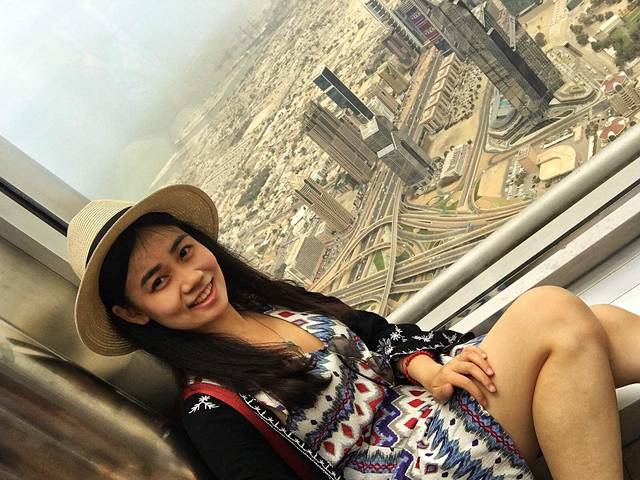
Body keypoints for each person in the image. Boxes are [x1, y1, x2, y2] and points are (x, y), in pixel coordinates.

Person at [66, 184, 637, 479]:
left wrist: (425, 366)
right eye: (159, 281)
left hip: (434, 411)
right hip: (417, 465)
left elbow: (376, 334)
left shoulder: (271, 302)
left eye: (185, 251)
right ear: (135, 313)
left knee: (598, 326)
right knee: (549, 311)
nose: (190, 278)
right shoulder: (210, 407)